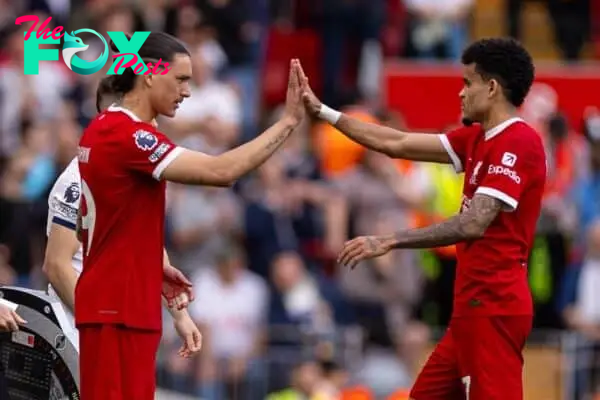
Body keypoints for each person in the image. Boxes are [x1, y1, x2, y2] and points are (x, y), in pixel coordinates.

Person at [299, 37, 546, 400]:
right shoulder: (476, 138)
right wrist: (323, 111)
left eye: (467, 83)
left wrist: (391, 240)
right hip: (470, 308)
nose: (460, 94)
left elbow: (473, 223)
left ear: (491, 88)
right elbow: (395, 142)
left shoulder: (518, 142)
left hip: (495, 307)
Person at [75, 31, 305, 400]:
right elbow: (220, 172)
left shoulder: (114, 130)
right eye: (181, 79)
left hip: (125, 304)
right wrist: (288, 123)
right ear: (149, 74)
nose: (187, 91)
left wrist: (155, 261)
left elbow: (118, 219)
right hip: (115, 307)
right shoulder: (127, 135)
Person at [42, 80, 202, 356]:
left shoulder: (137, 177)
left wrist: (180, 315)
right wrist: (95, 329)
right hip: (83, 330)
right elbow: (57, 265)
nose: (154, 128)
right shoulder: (77, 179)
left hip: (126, 322)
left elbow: (148, 246)